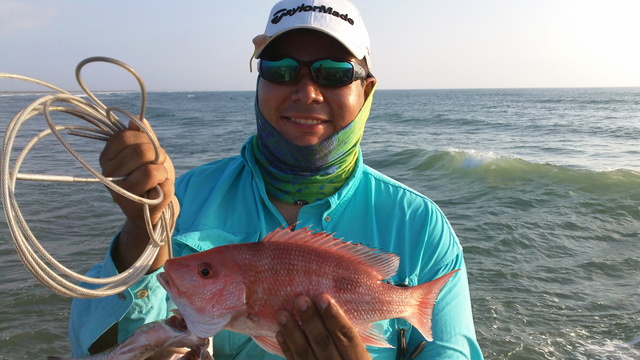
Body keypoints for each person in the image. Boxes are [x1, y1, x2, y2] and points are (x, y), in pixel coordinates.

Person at [69, 0, 484, 358]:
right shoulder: (178, 199)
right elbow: (95, 348)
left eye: (334, 73)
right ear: (259, 80)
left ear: (367, 89)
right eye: (281, 70)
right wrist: (140, 236)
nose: (306, 92)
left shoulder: (419, 225)